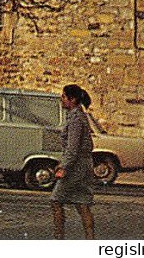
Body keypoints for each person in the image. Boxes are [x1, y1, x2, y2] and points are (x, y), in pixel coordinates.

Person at [50, 84, 96, 239]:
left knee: (56, 200)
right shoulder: (79, 116)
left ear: (73, 100)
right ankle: (90, 239)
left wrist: (63, 167)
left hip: (76, 166)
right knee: (82, 204)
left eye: (64, 96)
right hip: (83, 164)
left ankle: (59, 237)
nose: (61, 99)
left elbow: (73, 147)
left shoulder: (76, 119)